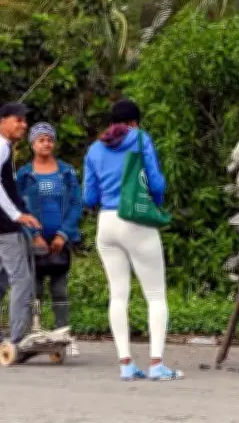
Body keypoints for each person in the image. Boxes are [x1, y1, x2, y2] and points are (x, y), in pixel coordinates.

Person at [82, 99, 180, 381]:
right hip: (136, 221)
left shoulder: (94, 149)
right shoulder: (140, 139)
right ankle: (157, 364)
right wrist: (155, 204)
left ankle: (126, 363)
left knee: (118, 295)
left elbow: (89, 197)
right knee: (156, 296)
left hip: (106, 224)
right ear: (134, 122)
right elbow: (157, 182)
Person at [0, 102, 42, 361]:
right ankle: (17, 341)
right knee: (22, 280)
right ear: (3, 121)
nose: (23, 125)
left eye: (24, 120)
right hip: (4, 228)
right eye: (18, 120)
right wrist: (16, 214)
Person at [16, 122, 82, 355]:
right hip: (33, 242)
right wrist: (34, 235)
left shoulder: (66, 172)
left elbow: (76, 203)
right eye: (41, 139)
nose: (46, 143)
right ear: (32, 144)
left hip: (59, 243)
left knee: (60, 289)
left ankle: (62, 335)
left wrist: (63, 234)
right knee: (34, 289)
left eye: (50, 139)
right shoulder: (24, 174)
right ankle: (31, 335)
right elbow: (19, 207)